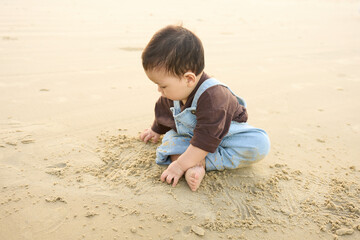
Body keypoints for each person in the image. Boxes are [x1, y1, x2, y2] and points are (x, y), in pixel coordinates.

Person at [139, 25, 270, 191]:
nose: (159, 90)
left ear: (189, 79)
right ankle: (193, 162)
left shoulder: (214, 98)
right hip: (195, 136)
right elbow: (165, 111)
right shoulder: (174, 92)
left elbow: (206, 137)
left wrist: (179, 166)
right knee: (169, 140)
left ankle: (204, 162)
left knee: (259, 143)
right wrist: (156, 129)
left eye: (162, 85)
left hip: (224, 135)